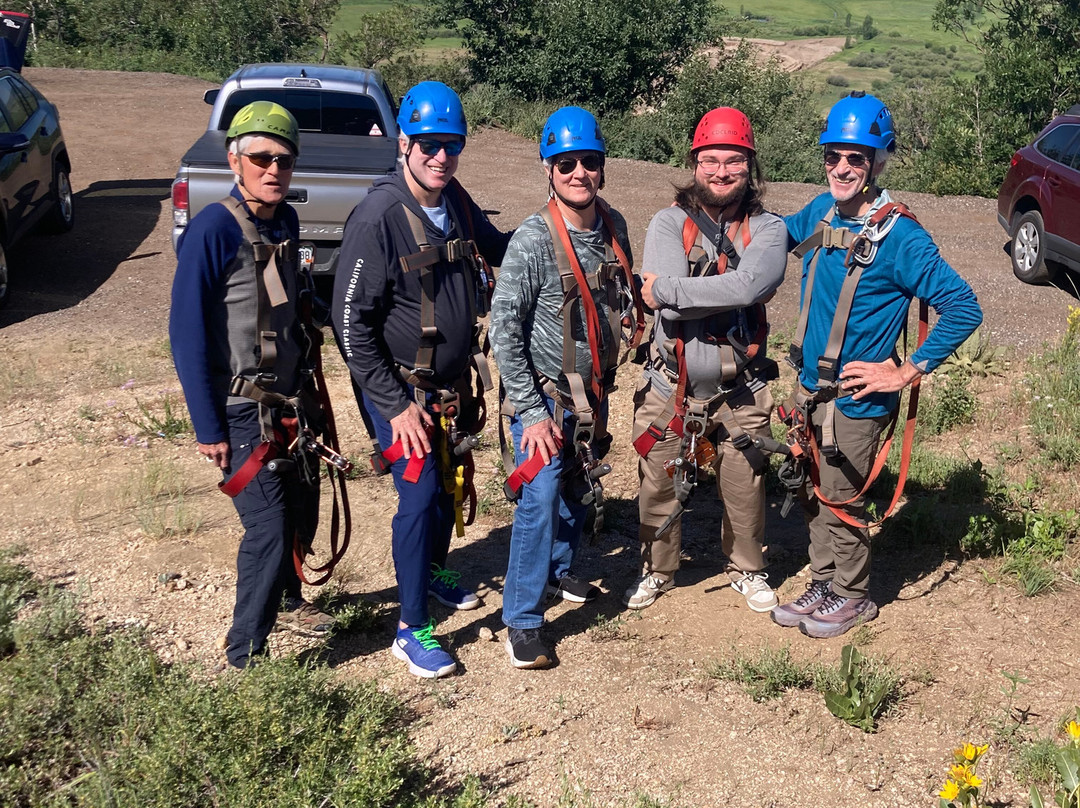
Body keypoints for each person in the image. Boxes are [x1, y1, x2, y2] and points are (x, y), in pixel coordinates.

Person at [775, 91, 982, 638]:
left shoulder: (901, 237)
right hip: (810, 386)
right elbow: (776, 233)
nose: (842, 168)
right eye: (834, 155)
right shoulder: (822, 211)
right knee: (813, 487)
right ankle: (823, 581)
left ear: (878, 162)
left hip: (856, 396)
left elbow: (965, 306)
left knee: (842, 496)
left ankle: (852, 593)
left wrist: (906, 370)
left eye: (856, 158)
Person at [332, 81, 511, 679]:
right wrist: (392, 406)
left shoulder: (452, 197)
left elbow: (497, 247)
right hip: (398, 390)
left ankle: (432, 574)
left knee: (448, 484)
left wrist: (559, 230)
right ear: (404, 141)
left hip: (449, 385)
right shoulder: (378, 216)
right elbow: (350, 322)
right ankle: (411, 629)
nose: (441, 156)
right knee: (419, 494)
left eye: (451, 145)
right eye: (430, 145)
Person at [170, 101, 333, 670]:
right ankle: (246, 654)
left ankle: (290, 600)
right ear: (235, 160)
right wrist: (207, 428)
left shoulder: (283, 220)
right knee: (266, 528)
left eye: (283, 161)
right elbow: (186, 333)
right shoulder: (214, 229)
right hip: (240, 411)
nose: (273, 170)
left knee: (300, 504)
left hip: (290, 403)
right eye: (261, 158)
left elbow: (289, 301)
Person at [490, 106, 643, 669]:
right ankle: (523, 621)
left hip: (593, 392)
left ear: (602, 167)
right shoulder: (533, 241)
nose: (579, 173)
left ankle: (557, 571)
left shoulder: (614, 227)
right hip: (546, 396)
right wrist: (531, 412)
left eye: (590, 162)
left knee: (581, 485)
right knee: (542, 493)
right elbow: (504, 330)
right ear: (549, 169)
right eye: (566, 164)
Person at [625, 107, 788, 613]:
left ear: (751, 166)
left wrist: (670, 290)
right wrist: (718, 292)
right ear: (694, 163)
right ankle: (658, 568)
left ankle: (747, 568)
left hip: (740, 388)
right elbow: (693, 300)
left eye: (734, 161)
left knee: (745, 485)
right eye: (711, 160)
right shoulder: (668, 222)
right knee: (658, 481)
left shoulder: (769, 228)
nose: (721, 171)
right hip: (669, 384)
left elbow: (752, 284)